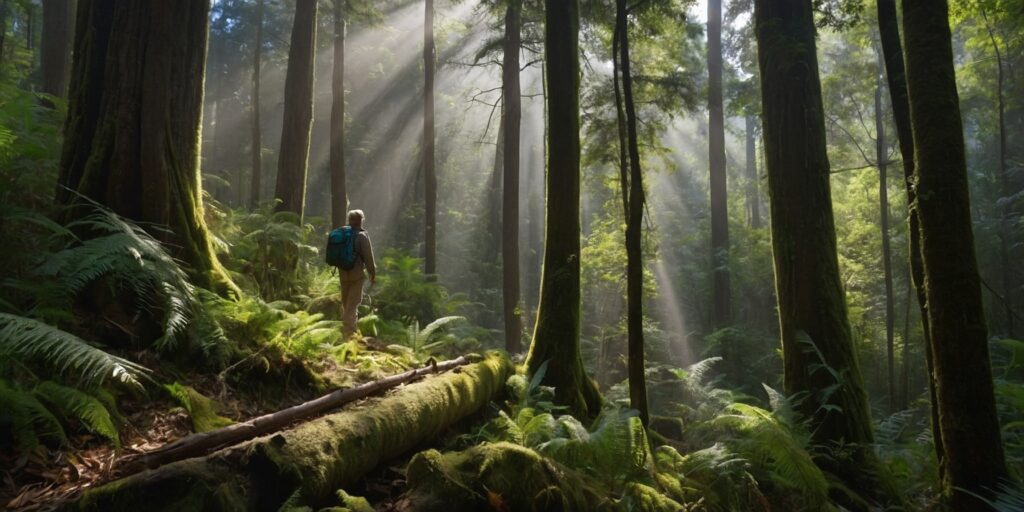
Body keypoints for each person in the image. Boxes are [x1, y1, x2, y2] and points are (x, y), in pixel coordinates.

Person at [340, 209, 376, 338]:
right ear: (361, 220)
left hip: (343, 274)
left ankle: (347, 329)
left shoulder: (342, 234)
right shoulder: (362, 236)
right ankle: (349, 333)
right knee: (353, 304)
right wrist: (372, 273)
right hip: (356, 274)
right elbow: (368, 257)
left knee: (346, 303)